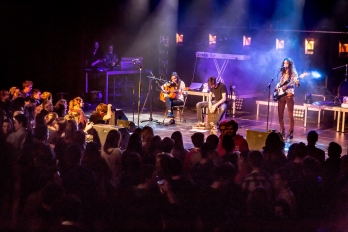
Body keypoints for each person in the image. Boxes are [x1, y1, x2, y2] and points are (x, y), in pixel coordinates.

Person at [275, 57, 300, 139]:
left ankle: (291, 131)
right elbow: (281, 83)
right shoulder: (282, 72)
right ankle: (282, 130)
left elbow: (297, 84)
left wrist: (297, 82)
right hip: (281, 95)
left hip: (289, 95)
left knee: (290, 115)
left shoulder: (293, 73)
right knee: (280, 114)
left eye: (287, 63)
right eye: (284, 63)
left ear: (290, 64)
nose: (285, 64)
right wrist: (278, 86)